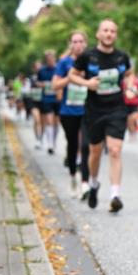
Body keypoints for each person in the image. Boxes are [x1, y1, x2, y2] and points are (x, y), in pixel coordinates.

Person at [68, 19, 133, 213]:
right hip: (94, 110)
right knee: (95, 152)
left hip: (116, 109)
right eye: (105, 30)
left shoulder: (122, 57)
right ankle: (94, 183)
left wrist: (129, 86)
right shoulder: (88, 56)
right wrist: (87, 84)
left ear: (116, 35)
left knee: (115, 150)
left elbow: (129, 73)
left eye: (112, 31)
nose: (109, 34)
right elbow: (72, 75)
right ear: (98, 34)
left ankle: (115, 195)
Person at [53, 32, 91, 198]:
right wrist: (71, 78)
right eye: (75, 41)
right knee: (73, 144)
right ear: (70, 44)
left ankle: (85, 182)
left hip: (88, 109)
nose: (78, 44)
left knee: (85, 145)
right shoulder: (64, 63)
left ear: (86, 43)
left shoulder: (92, 61)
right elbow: (55, 85)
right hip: (68, 110)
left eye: (81, 41)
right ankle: (73, 177)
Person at [37, 51, 59, 153]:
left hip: (57, 99)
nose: (50, 60)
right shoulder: (41, 70)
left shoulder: (59, 68)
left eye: (52, 58)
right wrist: (44, 84)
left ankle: (53, 142)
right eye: (48, 59)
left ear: (54, 58)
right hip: (46, 99)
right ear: (46, 60)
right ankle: (49, 144)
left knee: (56, 122)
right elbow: (37, 82)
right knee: (49, 121)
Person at [123, 68, 138, 140]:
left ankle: (133, 132)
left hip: (134, 103)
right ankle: (131, 132)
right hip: (125, 104)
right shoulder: (122, 81)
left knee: (132, 118)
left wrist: (136, 93)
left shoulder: (136, 81)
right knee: (129, 120)